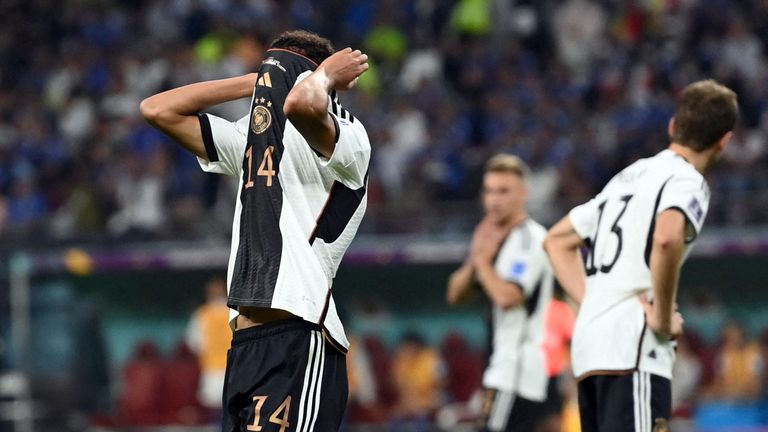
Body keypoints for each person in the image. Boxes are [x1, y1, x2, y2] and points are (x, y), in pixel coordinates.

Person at [141, 30, 371, 431]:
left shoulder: (349, 135)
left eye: (278, 71)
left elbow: (301, 104)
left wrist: (326, 75)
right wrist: (254, 81)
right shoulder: (256, 137)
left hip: (300, 334)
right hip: (246, 343)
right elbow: (157, 109)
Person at [543, 79, 738, 431]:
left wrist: (597, 302)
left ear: (673, 127)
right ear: (725, 140)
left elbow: (556, 241)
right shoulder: (687, 180)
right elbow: (666, 237)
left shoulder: (626, 177)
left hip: (590, 351)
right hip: (633, 349)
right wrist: (663, 317)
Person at [446, 154, 555, 432]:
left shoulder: (530, 239)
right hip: (504, 363)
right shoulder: (490, 237)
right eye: (490, 191)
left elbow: (508, 297)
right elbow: (456, 295)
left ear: (524, 193)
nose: (494, 199)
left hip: (516, 366)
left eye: (504, 191)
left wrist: (482, 261)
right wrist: (476, 259)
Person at [186, 276, 231, 421]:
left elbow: (194, 343)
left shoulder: (202, 314)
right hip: (234, 366)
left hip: (213, 368)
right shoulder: (235, 310)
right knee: (233, 407)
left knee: (217, 409)